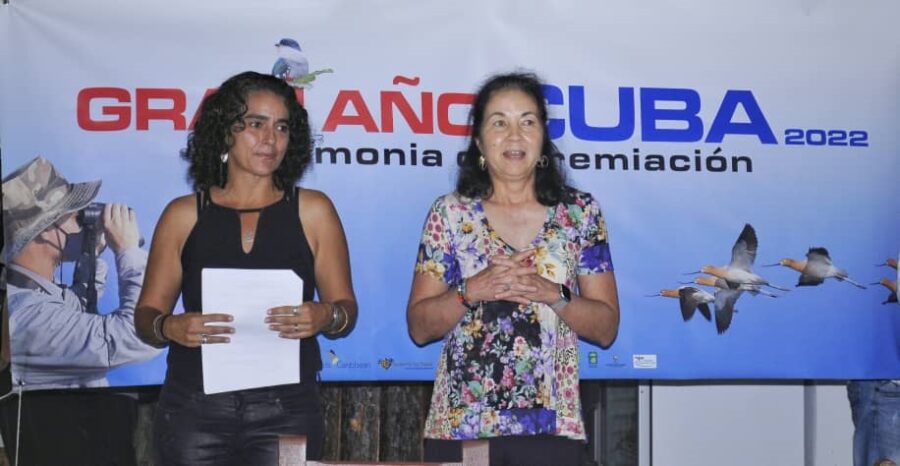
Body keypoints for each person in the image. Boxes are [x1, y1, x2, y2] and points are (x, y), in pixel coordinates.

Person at [134, 71, 357, 465]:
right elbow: (145, 317)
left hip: (288, 408)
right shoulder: (182, 215)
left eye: (282, 127)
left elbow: (346, 310)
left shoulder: (314, 211)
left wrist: (326, 315)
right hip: (193, 406)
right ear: (225, 132)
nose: (270, 139)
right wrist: (170, 326)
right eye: (255, 124)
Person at [407, 72, 620, 466]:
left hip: (551, 430)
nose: (514, 135)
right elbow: (419, 327)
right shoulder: (450, 214)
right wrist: (470, 291)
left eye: (527, 121)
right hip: (462, 428)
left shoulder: (579, 214)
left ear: (543, 138)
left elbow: (606, 329)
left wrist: (553, 294)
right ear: (479, 142)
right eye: (499, 123)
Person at [0, 156, 160, 465]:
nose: (82, 223)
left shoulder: (33, 297)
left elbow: (78, 306)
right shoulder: (27, 317)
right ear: (46, 231)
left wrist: (92, 251)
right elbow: (139, 337)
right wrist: (127, 250)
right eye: (75, 217)